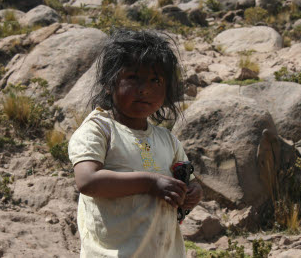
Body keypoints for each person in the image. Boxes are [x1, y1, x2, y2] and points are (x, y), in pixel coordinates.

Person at [68, 28, 203, 258]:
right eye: (133, 78)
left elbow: (189, 178)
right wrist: (150, 183)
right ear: (109, 83)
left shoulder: (167, 139)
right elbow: (87, 180)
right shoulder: (99, 129)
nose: (145, 89)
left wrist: (192, 192)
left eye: (155, 80)